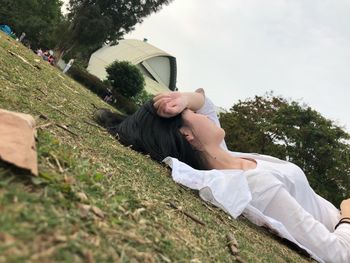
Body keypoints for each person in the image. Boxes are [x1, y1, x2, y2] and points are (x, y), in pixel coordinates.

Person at [94, 90, 350, 263]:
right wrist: (347, 216)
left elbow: (204, 101)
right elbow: (337, 254)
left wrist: (182, 100)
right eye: (193, 116)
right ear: (187, 135)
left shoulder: (224, 155)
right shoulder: (255, 185)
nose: (203, 114)